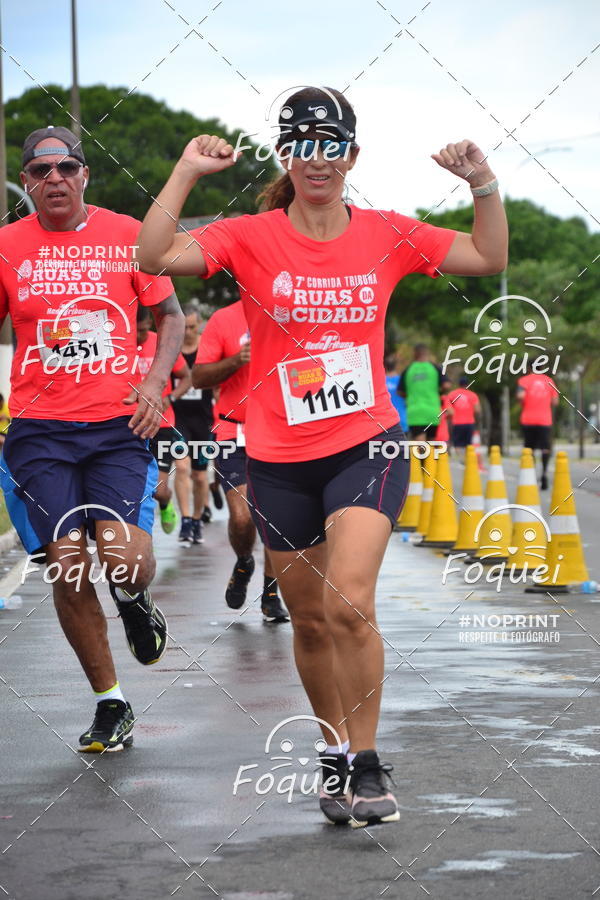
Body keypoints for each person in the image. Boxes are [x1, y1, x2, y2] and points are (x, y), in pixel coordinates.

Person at [137, 87, 508, 827]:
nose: (318, 157)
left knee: (349, 601)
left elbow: (488, 254)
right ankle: (334, 754)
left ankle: (368, 761)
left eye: (331, 143)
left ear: (351, 156)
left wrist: (482, 183)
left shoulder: (386, 234)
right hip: (276, 454)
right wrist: (184, 172)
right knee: (309, 622)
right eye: (303, 143)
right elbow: (151, 256)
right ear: (287, 155)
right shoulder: (250, 235)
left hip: (365, 443)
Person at [0, 126, 185, 752]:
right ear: (25, 182)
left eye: (67, 167)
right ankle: (111, 702)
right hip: (38, 431)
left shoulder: (129, 234)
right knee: (69, 566)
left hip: (116, 426)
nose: (54, 178)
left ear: (85, 176)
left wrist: (156, 384)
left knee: (124, 558)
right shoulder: (6, 246)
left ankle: (133, 597)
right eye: (40, 169)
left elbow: (171, 316)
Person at [193, 300, 289, 623]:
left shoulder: (289, 313)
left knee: (274, 519)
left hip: (279, 431)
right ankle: (245, 560)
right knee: (243, 517)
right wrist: (238, 359)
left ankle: (271, 593)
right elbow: (199, 377)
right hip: (233, 431)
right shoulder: (224, 318)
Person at [136, 306, 191, 532]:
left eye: (142, 330)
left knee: (158, 490)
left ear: (150, 323)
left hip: (161, 425)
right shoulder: (118, 344)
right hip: (129, 424)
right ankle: (141, 538)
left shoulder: (162, 344)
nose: (138, 336)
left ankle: (166, 504)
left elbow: (187, 378)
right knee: (134, 488)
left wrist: (170, 398)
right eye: (134, 331)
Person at [169, 303, 214, 544]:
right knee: (183, 468)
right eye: (184, 327)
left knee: (199, 476)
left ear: (199, 327)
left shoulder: (206, 350)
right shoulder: (172, 350)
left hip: (204, 421)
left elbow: (217, 383)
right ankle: (185, 520)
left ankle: (197, 519)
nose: (187, 332)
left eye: (192, 327)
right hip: (178, 420)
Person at [517, 364, 558, 489]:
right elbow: (555, 402)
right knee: (545, 448)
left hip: (528, 419)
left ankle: (531, 475)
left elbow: (520, 396)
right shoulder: (549, 381)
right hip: (545, 420)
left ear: (530, 368)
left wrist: (523, 403)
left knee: (529, 448)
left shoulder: (524, 380)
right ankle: (544, 473)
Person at [398, 344, 450, 440]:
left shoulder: (408, 370)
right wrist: (439, 392)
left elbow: (400, 392)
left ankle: (421, 454)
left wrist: (411, 394)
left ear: (415, 354)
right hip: (432, 411)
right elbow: (446, 385)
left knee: (420, 445)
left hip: (415, 412)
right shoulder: (435, 368)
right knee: (431, 443)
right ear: (427, 353)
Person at [447, 376, 481, 457]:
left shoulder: (452, 394)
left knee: (457, 443)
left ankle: (460, 459)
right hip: (469, 422)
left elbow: (449, 409)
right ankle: (467, 459)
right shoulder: (473, 395)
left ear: (459, 384)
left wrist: (453, 414)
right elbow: (477, 410)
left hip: (457, 422)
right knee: (468, 443)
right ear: (468, 384)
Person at [384, 353, 408, 432]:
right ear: (396, 366)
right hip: (402, 420)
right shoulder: (402, 380)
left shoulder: (381, 382)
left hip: (385, 422)